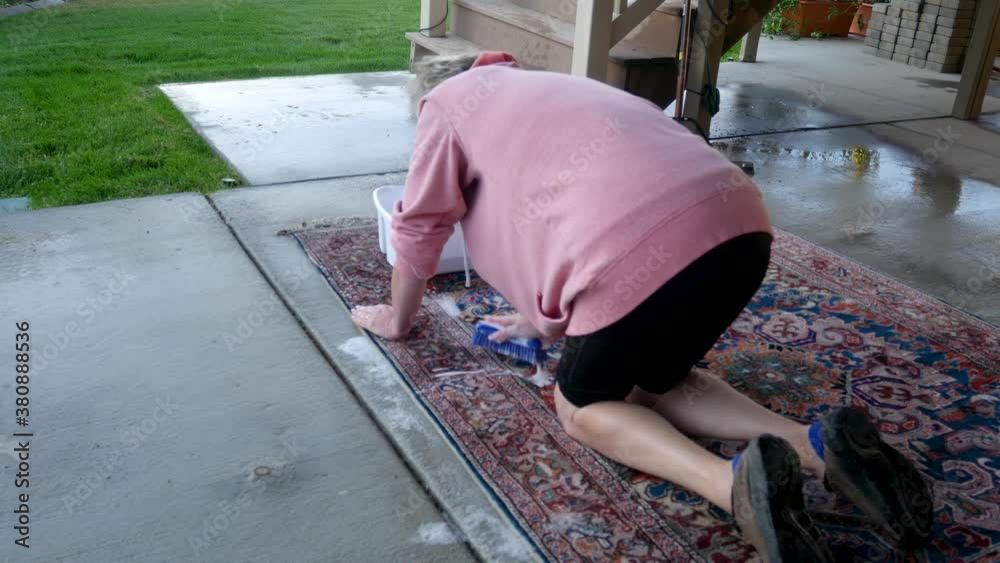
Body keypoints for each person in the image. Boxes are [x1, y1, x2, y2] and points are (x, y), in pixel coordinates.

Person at [351, 51, 932, 561]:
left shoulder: (447, 103)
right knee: (655, 379)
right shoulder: (546, 92)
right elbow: (576, 201)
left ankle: (733, 487)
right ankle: (818, 446)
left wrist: (395, 318)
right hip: (740, 228)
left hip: (635, 252)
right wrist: (539, 318)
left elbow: (422, 221)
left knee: (582, 406)